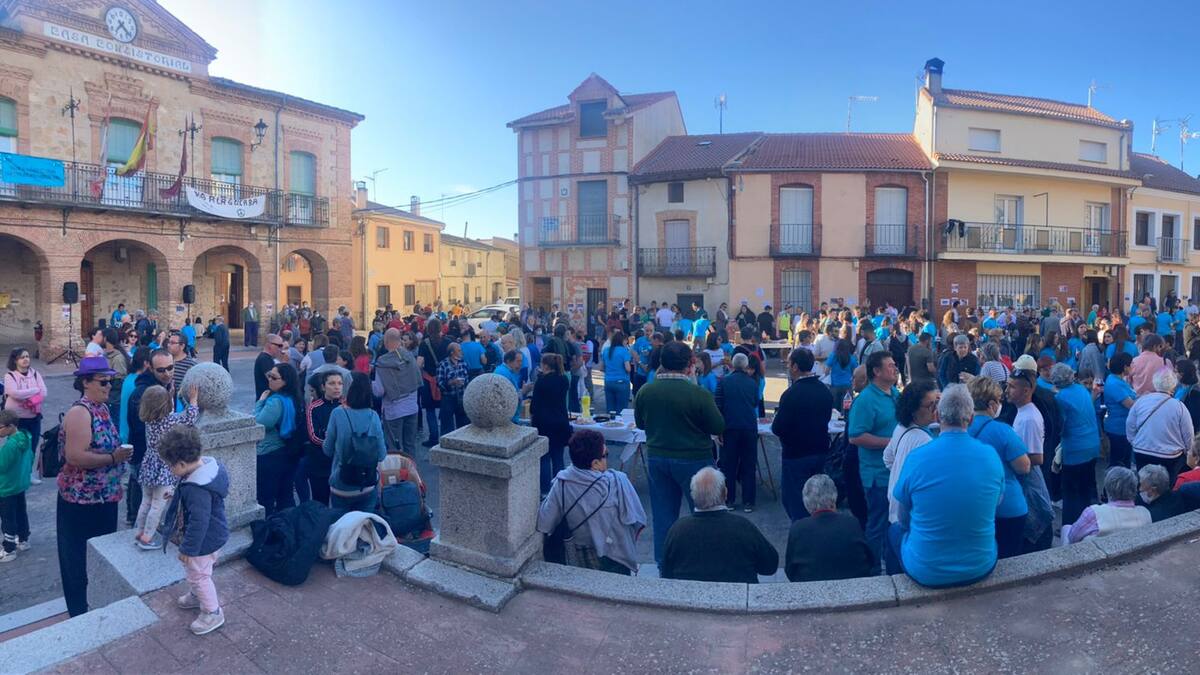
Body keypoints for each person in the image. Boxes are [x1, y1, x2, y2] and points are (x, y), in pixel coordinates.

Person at [888, 384, 1004, 588]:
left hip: (927, 571)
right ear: (971, 419)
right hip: (980, 565)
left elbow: (902, 517)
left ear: (937, 416)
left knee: (894, 531)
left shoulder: (917, 458)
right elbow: (996, 503)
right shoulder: (991, 456)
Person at [634, 341, 725, 564]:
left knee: (663, 516)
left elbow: (640, 424)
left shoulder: (646, 391)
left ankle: (664, 564)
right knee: (705, 514)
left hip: (658, 456)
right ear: (690, 364)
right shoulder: (698, 394)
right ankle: (704, 563)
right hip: (694, 458)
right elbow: (718, 426)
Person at [56, 356, 132, 616]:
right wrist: (113, 458)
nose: (109, 386)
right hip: (80, 501)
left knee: (102, 555)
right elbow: (75, 456)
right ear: (86, 382)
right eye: (103, 382)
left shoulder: (103, 408)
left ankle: (100, 603)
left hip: (104, 497)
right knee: (77, 559)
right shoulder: (80, 413)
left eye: (111, 381)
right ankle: (79, 612)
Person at [535, 430, 646, 575]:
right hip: (615, 556)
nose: (607, 458)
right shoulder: (618, 481)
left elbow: (544, 523)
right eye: (605, 455)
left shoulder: (561, 483)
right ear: (595, 463)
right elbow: (636, 519)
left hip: (579, 556)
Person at [156, 426, 229, 635]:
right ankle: (198, 596)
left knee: (199, 576)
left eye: (170, 466)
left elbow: (199, 521)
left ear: (181, 464)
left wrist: (188, 549)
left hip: (204, 541)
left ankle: (212, 612)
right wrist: (176, 495)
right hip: (214, 534)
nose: (170, 470)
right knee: (201, 572)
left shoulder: (196, 489)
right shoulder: (204, 469)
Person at [659, 467, 778, 583]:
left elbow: (666, 573)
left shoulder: (678, 530)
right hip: (737, 595)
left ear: (692, 495)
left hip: (690, 595)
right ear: (725, 493)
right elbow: (770, 566)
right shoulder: (743, 527)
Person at [966, 377, 1031, 560]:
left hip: (974, 505)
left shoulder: (961, 429)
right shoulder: (1002, 431)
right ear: (992, 404)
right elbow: (1024, 467)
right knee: (1010, 560)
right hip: (1008, 506)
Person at [848, 351, 900, 575]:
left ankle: (891, 565)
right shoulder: (866, 400)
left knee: (894, 522)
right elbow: (855, 436)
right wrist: (892, 443)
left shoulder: (895, 394)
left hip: (895, 472)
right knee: (878, 524)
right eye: (890, 365)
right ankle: (872, 571)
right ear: (876, 371)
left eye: (895, 364)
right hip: (877, 475)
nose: (895, 368)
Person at [771, 348, 835, 520]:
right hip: (820, 450)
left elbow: (778, 427)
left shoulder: (791, 394)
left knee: (795, 501)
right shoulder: (824, 390)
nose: (787, 367)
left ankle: (802, 529)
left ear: (795, 367)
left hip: (796, 455)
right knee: (819, 498)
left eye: (789, 363)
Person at [134, 384, 198, 550]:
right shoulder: (170, 421)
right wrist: (193, 400)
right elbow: (190, 418)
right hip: (164, 467)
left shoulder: (149, 421)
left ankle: (139, 532)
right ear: (166, 405)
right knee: (158, 505)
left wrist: (168, 395)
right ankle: (147, 538)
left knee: (145, 501)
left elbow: (163, 408)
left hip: (149, 465)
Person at [784, 474, 873, 582]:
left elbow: (790, 570)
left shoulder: (798, 529)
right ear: (834, 498)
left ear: (806, 503)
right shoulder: (852, 523)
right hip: (853, 587)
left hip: (812, 588)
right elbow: (869, 560)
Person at [323, 372, 387, 512]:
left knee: (341, 522)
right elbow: (382, 455)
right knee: (365, 522)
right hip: (367, 482)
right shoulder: (373, 416)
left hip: (341, 482)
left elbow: (327, 450)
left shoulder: (337, 413)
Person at [1005, 370, 1054, 553]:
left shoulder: (1029, 419)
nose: (1007, 390)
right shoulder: (1023, 413)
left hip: (1030, 484)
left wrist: (1010, 459)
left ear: (1026, 391)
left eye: (1012, 387)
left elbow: (1037, 457)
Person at [883, 381, 938, 531]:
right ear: (913, 409)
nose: (936, 409)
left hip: (894, 511)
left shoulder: (901, 427)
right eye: (930, 405)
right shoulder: (924, 441)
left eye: (937, 403)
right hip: (910, 518)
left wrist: (899, 473)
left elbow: (887, 458)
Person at [1050, 363, 1101, 525]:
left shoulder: (1060, 398)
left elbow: (1060, 425)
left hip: (1074, 449)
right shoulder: (1081, 389)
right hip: (1092, 444)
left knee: (1071, 493)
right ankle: (1087, 524)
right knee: (1086, 488)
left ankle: (1070, 527)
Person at [1126, 368, 1194, 485]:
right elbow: (1188, 434)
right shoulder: (1179, 407)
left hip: (1142, 451)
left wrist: (1135, 442)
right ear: (1173, 386)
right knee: (1167, 485)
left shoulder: (1141, 401)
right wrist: (1187, 450)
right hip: (1170, 456)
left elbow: (1130, 426)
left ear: (1155, 383)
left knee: (1143, 484)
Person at [254, 363, 303, 516]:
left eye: (274, 377)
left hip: (270, 452)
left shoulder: (275, 401)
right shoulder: (295, 398)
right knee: (285, 495)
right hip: (290, 450)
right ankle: (288, 526)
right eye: (269, 375)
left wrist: (260, 402)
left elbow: (259, 423)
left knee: (266, 497)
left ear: (285, 381)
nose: (269, 379)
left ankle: (268, 527)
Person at [716, 353, 761, 512]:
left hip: (729, 427)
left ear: (733, 365)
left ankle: (729, 500)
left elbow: (718, 405)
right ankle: (749, 501)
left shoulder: (723, 382)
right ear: (746, 365)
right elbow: (755, 402)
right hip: (749, 426)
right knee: (749, 464)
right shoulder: (752, 383)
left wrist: (718, 430)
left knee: (728, 465)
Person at [1066, 467, 1151, 544]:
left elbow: (1072, 538)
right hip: (1133, 554)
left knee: (1066, 528)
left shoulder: (1093, 513)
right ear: (1135, 489)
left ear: (1107, 489)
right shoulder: (1145, 513)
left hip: (1097, 555)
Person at [373, 329, 422, 456]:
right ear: (399, 340)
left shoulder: (383, 362)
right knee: (410, 445)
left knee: (394, 447)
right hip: (412, 407)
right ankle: (411, 467)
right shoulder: (409, 357)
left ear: (385, 342)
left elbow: (379, 391)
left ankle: (397, 469)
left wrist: (370, 384)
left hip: (393, 411)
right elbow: (417, 380)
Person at [5, 348, 47, 485]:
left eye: (27, 356)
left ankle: (27, 473)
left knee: (31, 446)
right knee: (17, 447)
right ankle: (15, 475)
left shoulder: (35, 374)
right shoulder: (10, 376)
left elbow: (44, 393)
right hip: (17, 419)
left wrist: (26, 393)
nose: (25, 359)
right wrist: (35, 390)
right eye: (22, 357)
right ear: (15, 360)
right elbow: (14, 393)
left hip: (34, 417)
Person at [532, 353, 571, 496]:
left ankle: (545, 490)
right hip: (560, 421)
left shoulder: (541, 382)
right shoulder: (564, 379)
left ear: (545, 365)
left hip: (543, 423)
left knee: (544, 458)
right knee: (558, 457)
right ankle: (560, 488)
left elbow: (534, 406)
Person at [304, 370, 342, 506]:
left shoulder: (345, 405)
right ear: (323, 387)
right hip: (320, 463)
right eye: (332, 383)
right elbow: (314, 436)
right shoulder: (314, 408)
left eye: (340, 383)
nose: (336, 387)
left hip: (341, 463)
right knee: (320, 503)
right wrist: (332, 444)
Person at [0, 410, 33, 562]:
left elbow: (2, 466)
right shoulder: (26, 437)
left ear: (11, 426)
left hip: (6, 487)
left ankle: (9, 549)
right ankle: (23, 539)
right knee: (21, 512)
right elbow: (30, 457)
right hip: (20, 483)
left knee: (7, 518)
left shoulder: (10, 446)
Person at [418, 319, 449, 448]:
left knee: (430, 410)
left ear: (428, 329)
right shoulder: (447, 342)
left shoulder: (424, 344)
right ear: (440, 328)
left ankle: (433, 437)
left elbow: (419, 363)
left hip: (428, 379)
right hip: (444, 379)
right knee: (445, 409)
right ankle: (446, 437)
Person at [1103, 352, 1137, 470]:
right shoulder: (1115, 384)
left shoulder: (1119, 381)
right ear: (1125, 367)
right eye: (1131, 364)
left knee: (1124, 461)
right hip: (1118, 428)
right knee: (1119, 463)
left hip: (1123, 427)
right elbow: (1130, 405)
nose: (1132, 367)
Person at [435, 342, 469, 434]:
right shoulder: (443, 364)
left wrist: (464, 384)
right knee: (447, 426)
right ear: (452, 352)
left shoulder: (463, 363)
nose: (461, 352)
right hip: (448, 398)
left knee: (463, 425)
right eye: (459, 350)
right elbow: (439, 384)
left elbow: (467, 379)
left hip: (461, 397)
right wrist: (451, 383)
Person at [599, 330, 632, 413]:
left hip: (609, 381)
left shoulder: (606, 350)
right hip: (622, 382)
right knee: (621, 410)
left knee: (610, 409)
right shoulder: (624, 351)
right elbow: (628, 368)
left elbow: (601, 368)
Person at [253, 334, 286, 399]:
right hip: (267, 399)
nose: (281, 349)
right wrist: (285, 364)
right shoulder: (265, 359)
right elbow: (275, 380)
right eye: (279, 346)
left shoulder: (267, 358)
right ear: (269, 345)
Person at [826, 339, 857, 404]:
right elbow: (855, 373)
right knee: (846, 407)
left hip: (834, 385)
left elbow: (826, 371)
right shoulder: (852, 358)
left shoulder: (833, 356)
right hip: (848, 385)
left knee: (834, 407)